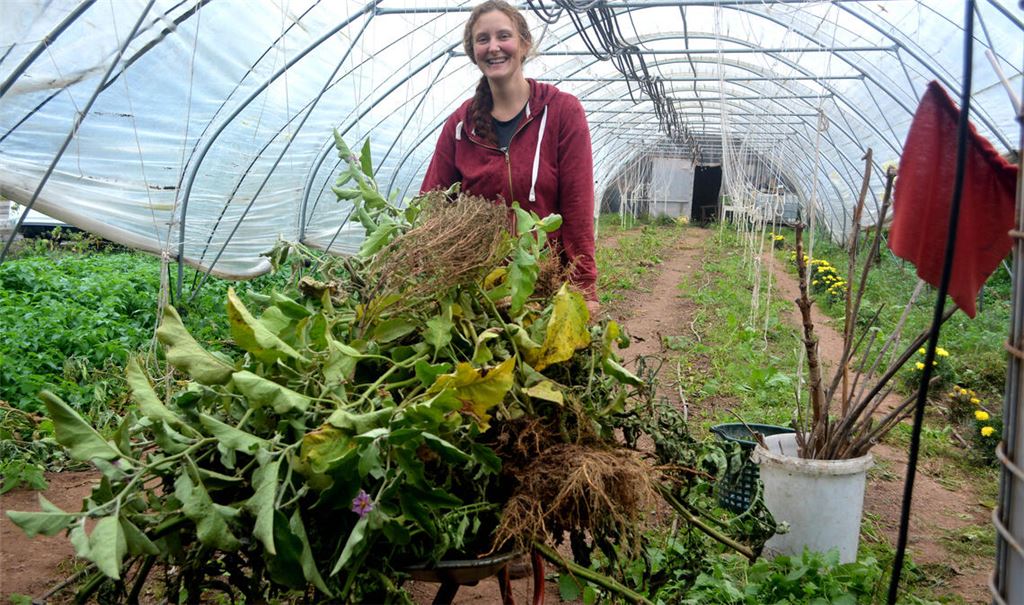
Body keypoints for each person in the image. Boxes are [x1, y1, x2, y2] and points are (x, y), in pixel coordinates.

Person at [420, 0, 599, 316]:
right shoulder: (460, 126)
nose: (493, 47)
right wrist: (424, 277)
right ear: (473, 51)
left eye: (504, 36)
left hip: (544, 286)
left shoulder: (561, 112)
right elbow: (432, 203)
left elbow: (577, 207)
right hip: (476, 293)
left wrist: (584, 289)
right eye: (482, 39)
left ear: (524, 44)